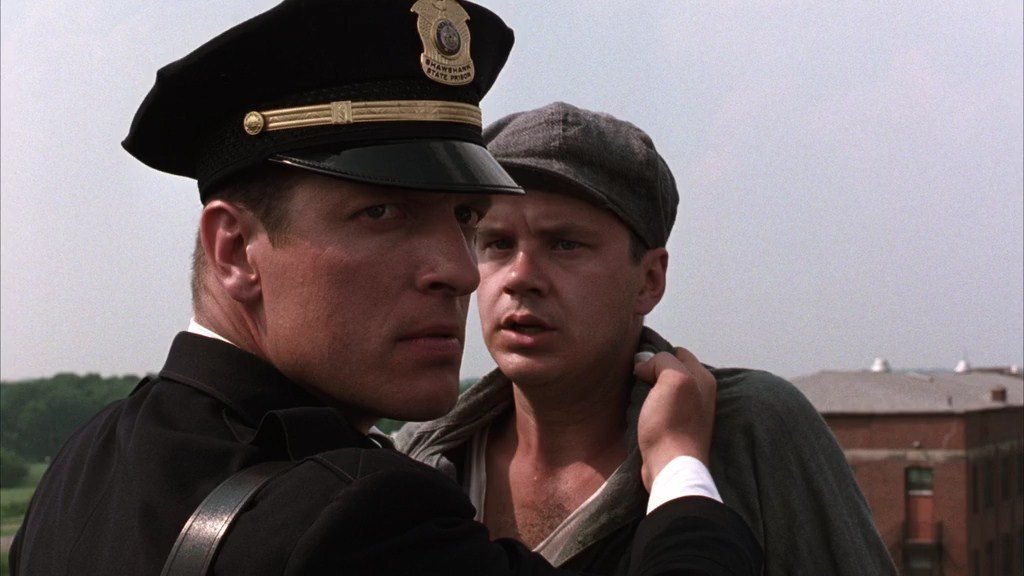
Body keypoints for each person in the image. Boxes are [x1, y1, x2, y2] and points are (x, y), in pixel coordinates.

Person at [9, 3, 763, 576]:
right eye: (382, 213)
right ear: (235, 250)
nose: (462, 272)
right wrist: (679, 468)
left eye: (463, 218)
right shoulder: (363, 515)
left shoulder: (88, 461)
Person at [396, 102, 899, 575]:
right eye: (497, 244)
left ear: (649, 280)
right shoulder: (419, 457)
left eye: (565, 244)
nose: (521, 276)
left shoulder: (747, 433)